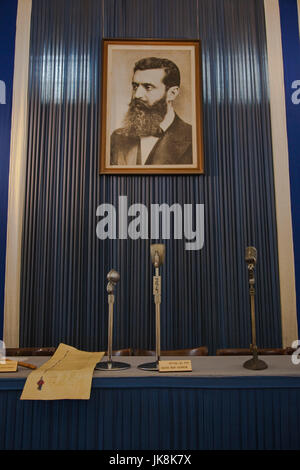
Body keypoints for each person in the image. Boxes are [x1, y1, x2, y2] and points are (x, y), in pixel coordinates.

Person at [110, 57, 192, 166]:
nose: (137, 95)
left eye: (148, 87)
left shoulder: (193, 138)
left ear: (172, 93)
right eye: (135, 86)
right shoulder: (118, 137)